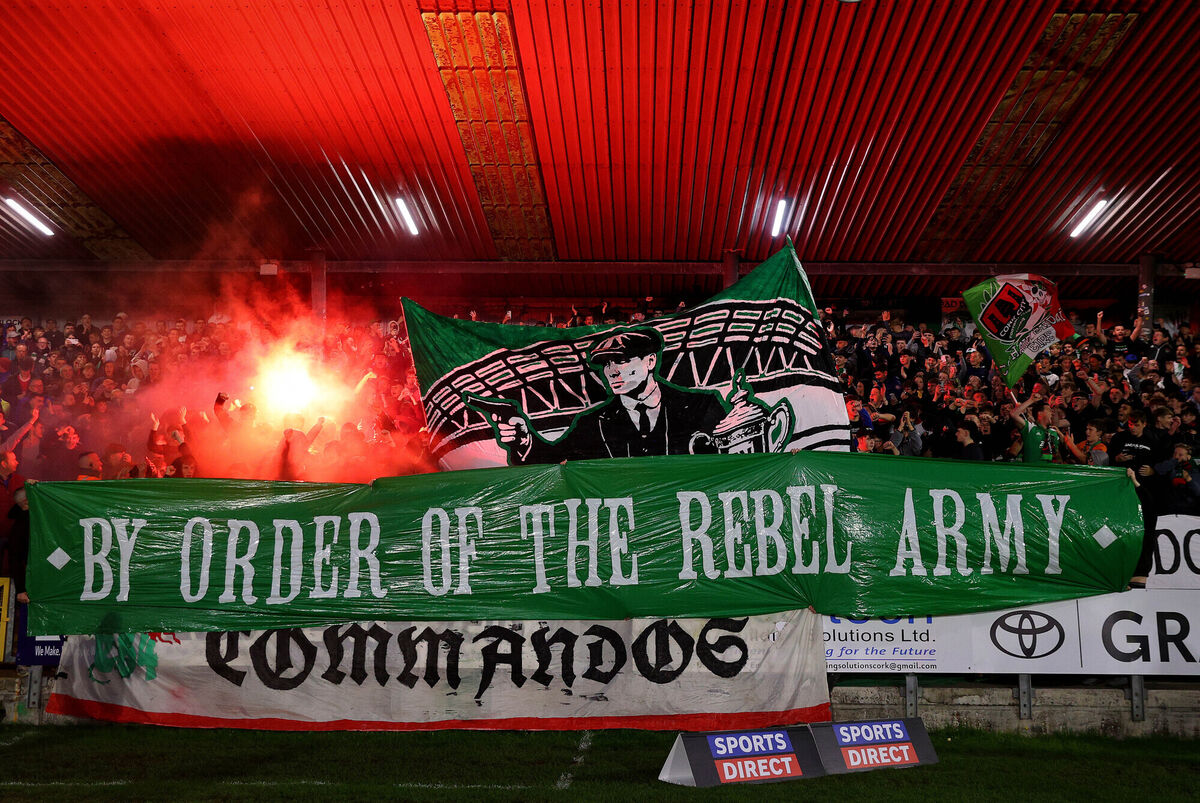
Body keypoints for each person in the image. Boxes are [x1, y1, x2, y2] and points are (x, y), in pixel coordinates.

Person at [486, 328, 729, 464]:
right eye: (606, 364)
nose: (611, 371)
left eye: (622, 361)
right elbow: (551, 463)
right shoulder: (592, 424)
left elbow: (737, 463)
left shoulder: (700, 407)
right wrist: (524, 441)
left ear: (651, 361)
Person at [1009, 397, 1061, 464]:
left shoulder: (1054, 432)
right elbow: (1013, 414)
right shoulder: (1030, 428)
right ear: (1040, 414)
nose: (1052, 413)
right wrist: (1031, 400)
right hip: (1032, 472)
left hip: (1051, 472)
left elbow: (1059, 456)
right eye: (1049, 410)